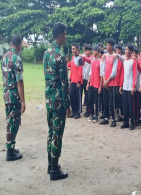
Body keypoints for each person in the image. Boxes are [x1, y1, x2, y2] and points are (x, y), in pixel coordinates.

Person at [43, 22, 71, 181]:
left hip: (49, 99)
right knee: (57, 134)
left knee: (51, 131)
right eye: (65, 34)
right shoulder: (61, 55)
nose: (65, 37)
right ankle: (54, 170)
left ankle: (50, 165)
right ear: (60, 35)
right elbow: (64, 83)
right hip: (59, 100)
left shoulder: (47, 53)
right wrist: (67, 105)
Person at [1, 34, 25, 161]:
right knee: (13, 122)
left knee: (10, 120)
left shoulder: (4, 57)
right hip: (14, 95)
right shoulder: (17, 59)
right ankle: (10, 152)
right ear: (20, 44)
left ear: (11, 43)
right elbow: (19, 82)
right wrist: (23, 100)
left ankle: (11, 147)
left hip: (6, 94)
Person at [100, 38, 120, 127]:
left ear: (112, 46)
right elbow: (103, 69)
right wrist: (104, 81)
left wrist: (107, 81)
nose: (106, 46)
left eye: (108, 45)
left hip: (112, 83)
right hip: (105, 82)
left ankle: (113, 119)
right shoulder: (105, 56)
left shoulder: (115, 57)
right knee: (105, 101)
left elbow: (114, 72)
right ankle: (106, 118)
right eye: (106, 45)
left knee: (112, 102)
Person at [119, 44, 139, 129]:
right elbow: (123, 74)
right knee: (125, 105)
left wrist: (133, 86)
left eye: (127, 50)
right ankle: (125, 122)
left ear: (131, 51)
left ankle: (133, 122)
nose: (126, 51)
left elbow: (135, 74)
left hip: (131, 87)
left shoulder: (133, 61)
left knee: (131, 106)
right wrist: (120, 85)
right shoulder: (125, 61)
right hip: (124, 86)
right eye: (125, 50)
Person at [86, 45, 103, 123]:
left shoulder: (100, 61)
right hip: (92, 84)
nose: (93, 52)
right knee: (89, 100)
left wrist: (100, 86)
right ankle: (92, 114)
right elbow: (90, 73)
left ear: (98, 52)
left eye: (95, 51)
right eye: (93, 50)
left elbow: (102, 75)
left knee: (97, 101)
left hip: (97, 84)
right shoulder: (92, 61)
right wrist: (88, 83)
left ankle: (96, 116)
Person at [67, 44, 84, 119]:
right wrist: (70, 80)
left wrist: (79, 82)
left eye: (74, 49)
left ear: (77, 49)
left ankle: (78, 112)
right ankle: (73, 111)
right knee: (71, 95)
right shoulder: (73, 57)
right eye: (72, 49)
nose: (72, 50)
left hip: (78, 82)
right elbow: (72, 70)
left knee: (78, 97)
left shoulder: (80, 59)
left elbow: (80, 71)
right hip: (73, 81)